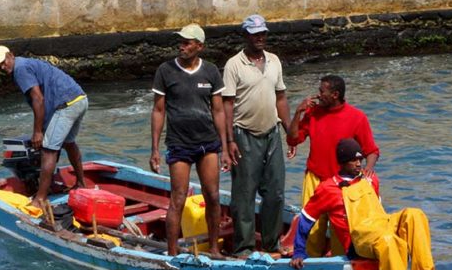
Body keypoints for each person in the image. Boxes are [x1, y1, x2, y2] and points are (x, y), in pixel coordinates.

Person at [290, 139, 445, 270]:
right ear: (342, 162)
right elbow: (306, 220)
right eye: (353, 161)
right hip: (359, 241)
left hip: (381, 224)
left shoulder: (370, 179)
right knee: (388, 240)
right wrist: (299, 251)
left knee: (414, 214)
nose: (358, 164)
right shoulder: (327, 188)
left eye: (360, 160)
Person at [150, 23, 231, 257]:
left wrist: (224, 147)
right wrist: (154, 148)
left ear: (199, 46)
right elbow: (158, 111)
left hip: (208, 143)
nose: (182, 46)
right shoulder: (165, 71)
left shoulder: (211, 71)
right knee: (178, 198)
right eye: (181, 42)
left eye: (187, 42)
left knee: (213, 196)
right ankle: (173, 253)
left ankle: (214, 248)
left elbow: (218, 111)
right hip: (179, 144)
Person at [222, 14, 293, 256]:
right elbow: (227, 105)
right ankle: (244, 246)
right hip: (244, 134)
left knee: (275, 192)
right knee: (244, 193)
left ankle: (272, 243)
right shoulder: (234, 65)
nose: (260, 37)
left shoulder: (274, 61)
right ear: (246, 36)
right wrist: (229, 141)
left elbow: (281, 97)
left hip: (272, 133)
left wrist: (289, 131)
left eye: (263, 33)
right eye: (255, 34)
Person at [287, 74, 380, 256]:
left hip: (343, 184)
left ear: (335, 94)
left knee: (341, 230)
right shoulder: (313, 113)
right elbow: (292, 138)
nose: (318, 95)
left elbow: (372, 151)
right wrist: (298, 112)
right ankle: (309, 264)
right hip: (315, 178)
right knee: (312, 230)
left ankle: (340, 265)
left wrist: (368, 169)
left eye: (322, 91)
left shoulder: (357, 117)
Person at [0, 46, 87, 208]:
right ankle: (81, 183)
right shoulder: (26, 64)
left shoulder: (20, 69)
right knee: (69, 143)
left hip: (67, 104)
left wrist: (38, 132)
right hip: (79, 99)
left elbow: (38, 99)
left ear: (11, 55)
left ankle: (40, 199)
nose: (3, 67)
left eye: (3, 62)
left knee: (48, 150)